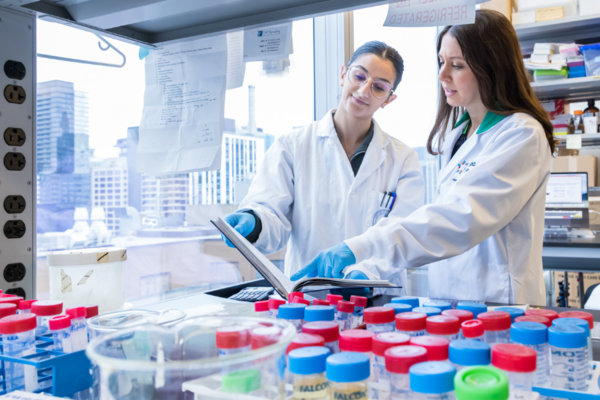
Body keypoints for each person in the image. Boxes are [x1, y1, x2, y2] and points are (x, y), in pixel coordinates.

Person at [292, 10, 556, 305]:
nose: (442, 75)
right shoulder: (457, 136)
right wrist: (366, 258)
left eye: (456, 65)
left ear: (491, 67)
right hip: (452, 302)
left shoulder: (521, 135)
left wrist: (361, 247)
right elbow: (431, 223)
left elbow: (459, 219)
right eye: (441, 62)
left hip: (500, 304)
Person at [222, 41, 425, 296]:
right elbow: (271, 214)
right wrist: (254, 222)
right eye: (359, 76)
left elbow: (403, 234)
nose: (363, 90)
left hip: (377, 301)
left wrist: (367, 274)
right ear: (343, 74)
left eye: (379, 87)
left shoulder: (403, 159)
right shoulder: (293, 146)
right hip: (310, 301)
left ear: (388, 99)